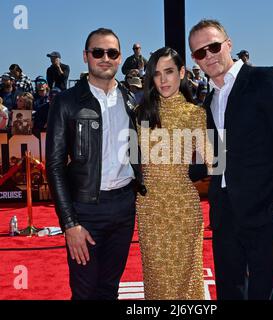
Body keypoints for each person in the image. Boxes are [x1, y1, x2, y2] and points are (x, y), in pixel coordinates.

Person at [188, 19, 273, 300]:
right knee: (229, 290)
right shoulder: (209, 102)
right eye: (199, 53)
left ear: (228, 44)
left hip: (266, 209)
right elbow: (212, 159)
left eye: (214, 46)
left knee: (265, 292)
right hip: (225, 213)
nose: (209, 56)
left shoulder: (266, 79)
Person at [45, 27, 146, 300]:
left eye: (111, 52)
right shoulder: (66, 102)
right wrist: (69, 223)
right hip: (84, 210)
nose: (105, 58)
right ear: (85, 56)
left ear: (120, 57)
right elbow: (53, 165)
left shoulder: (131, 100)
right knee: (85, 291)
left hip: (124, 208)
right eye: (98, 52)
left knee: (109, 289)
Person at [136, 47, 211, 299]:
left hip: (184, 208)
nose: (163, 80)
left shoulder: (196, 113)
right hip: (149, 208)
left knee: (186, 281)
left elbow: (215, 161)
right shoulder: (140, 113)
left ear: (181, 72)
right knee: (157, 281)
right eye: (157, 74)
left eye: (169, 72)